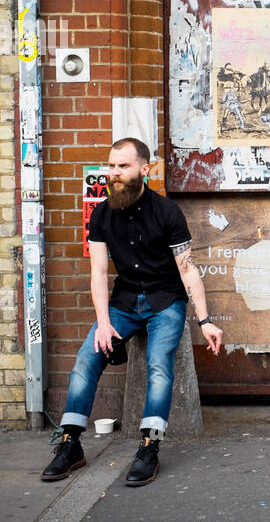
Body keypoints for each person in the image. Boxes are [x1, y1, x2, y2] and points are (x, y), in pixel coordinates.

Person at [41, 137, 223, 486]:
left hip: (164, 302)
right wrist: (104, 324)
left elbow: (187, 269)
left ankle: (149, 446)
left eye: (122, 166)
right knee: (86, 359)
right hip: (123, 303)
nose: (114, 173)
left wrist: (205, 320)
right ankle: (71, 443)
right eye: (111, 166)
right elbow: (97, 274)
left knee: (159, 365)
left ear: (145, 169)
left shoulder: (167, 212)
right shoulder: (101, 214)